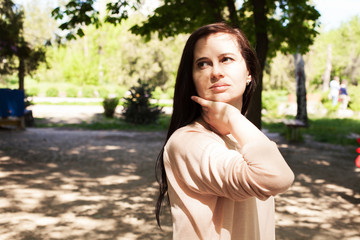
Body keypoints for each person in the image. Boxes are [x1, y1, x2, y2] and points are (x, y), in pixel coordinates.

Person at [155, 22, 294, 240]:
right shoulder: (188, 141)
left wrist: (234, 122)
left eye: (226, 59)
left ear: (249, 71)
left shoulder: (242, 136)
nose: (216, 72)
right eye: (202, 64)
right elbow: (277, 177)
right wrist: (231, 116)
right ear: (191, 79)